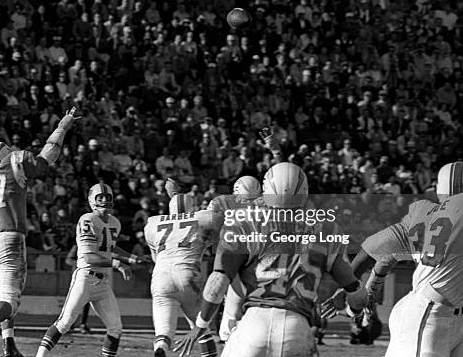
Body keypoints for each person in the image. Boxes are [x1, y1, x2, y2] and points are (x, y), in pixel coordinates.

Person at [175, 162, 368, 357]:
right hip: (297, 327)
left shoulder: (243, 223)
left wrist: (200, 325)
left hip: (253, 323)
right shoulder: (327, 229)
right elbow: (355, 291)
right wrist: (356, 311)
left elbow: (218, 281)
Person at [0, 107, 80, 357]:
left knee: (4, 297)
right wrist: (63, 127)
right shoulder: (15, 163)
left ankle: (9, 345)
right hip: (9, 239)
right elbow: (49, 155)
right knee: (10, 300)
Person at [350, 161, 463, 357]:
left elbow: (376, 252)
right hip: (430, 315)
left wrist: (354, 289)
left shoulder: (424, 214)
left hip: (434, 314)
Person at [35, 183, 151, 357]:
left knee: (115, 327)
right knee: (65, 322)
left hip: (103, 282)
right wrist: (117, 264)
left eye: (107, 197)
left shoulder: (114, 222)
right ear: (91, 200)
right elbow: (90, 257)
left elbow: (110, 246)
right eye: (100, 197)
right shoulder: (87, 219)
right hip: (85, 278)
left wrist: (134, 259)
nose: (104, 200)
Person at [205, 127, 283, 341]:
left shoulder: (224, 201)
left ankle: (228, 334)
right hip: (263, 258)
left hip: (233, 255)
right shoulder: (266, 202)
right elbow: (283, 175)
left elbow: (207, 225)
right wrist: (274, 149)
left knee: (230, 298)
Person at [144, 191, 220, 357]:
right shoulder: (205, 217)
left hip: (161, 277)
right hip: (188, 274)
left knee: (163, 332)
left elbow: (155, 257)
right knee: (201, 329)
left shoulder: (152, 223)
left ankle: (161, 348)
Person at [64, 244, 91, 334]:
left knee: (86, 302)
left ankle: (82, 323)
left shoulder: (92, 246)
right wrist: (80, 263)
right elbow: (68, 260)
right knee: (74, 302)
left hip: (89, 277)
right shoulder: (77, 246)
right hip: (78, 278)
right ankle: (70, 324)